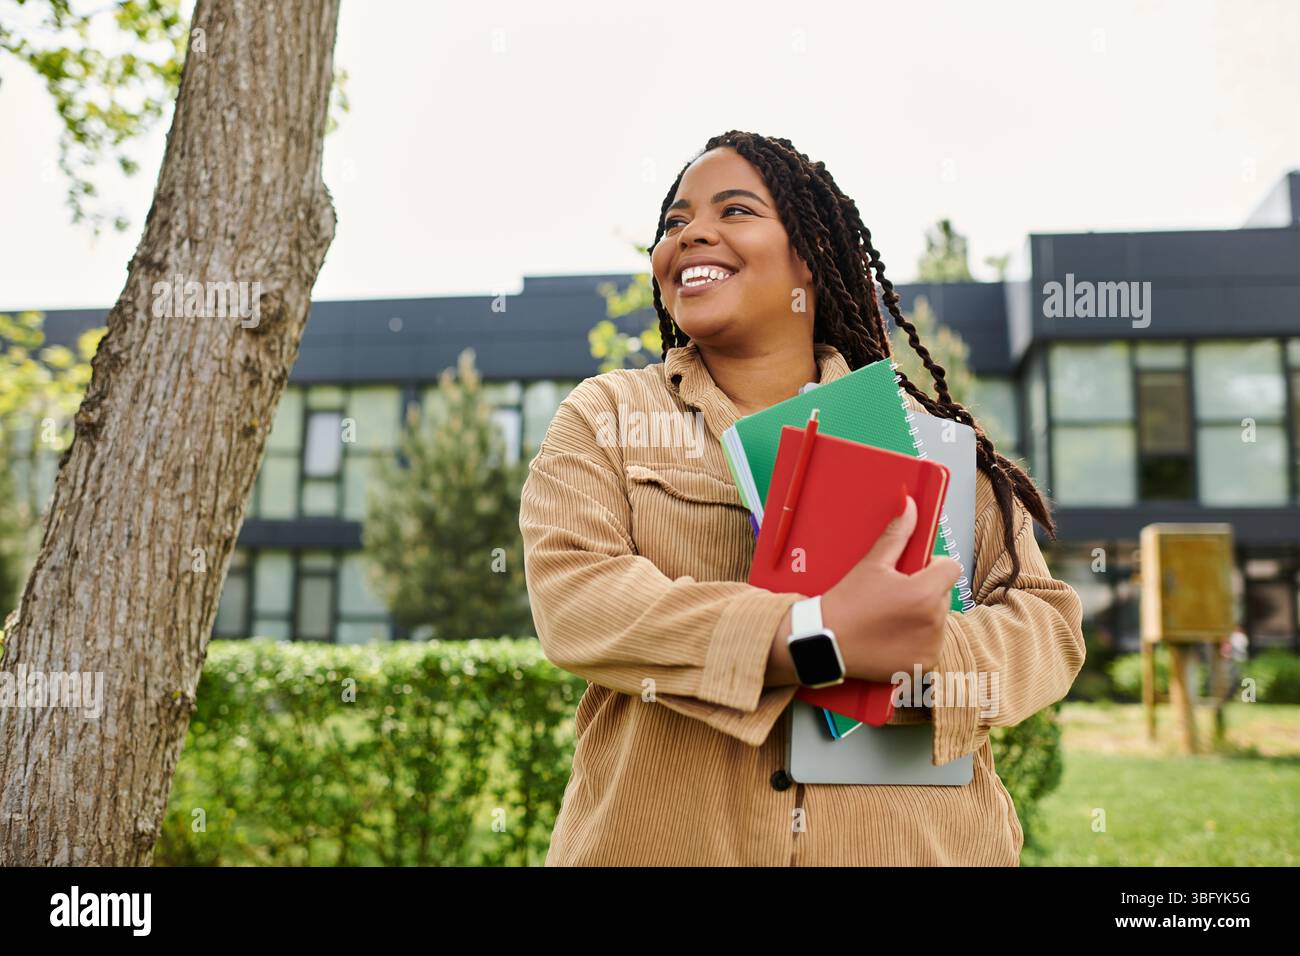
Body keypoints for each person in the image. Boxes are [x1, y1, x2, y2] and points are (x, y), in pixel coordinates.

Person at [518, 131, 1085, 866]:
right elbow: (579, 601)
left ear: (811, 257)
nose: (693, 235)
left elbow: (1046, 622)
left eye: (736, 209)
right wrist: (814, 634)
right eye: (674, 222)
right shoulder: (609, 417)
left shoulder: (922, 440)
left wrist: (922, 660)